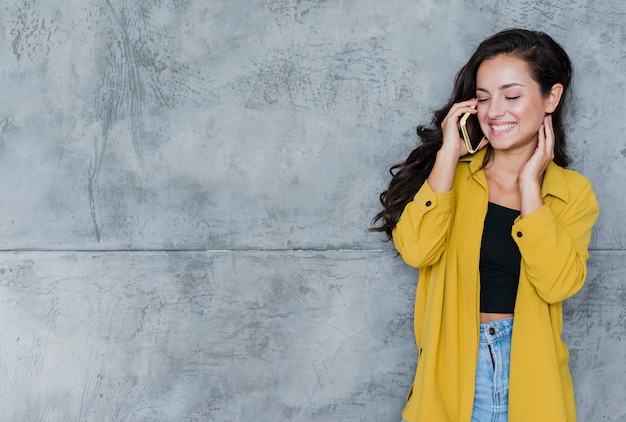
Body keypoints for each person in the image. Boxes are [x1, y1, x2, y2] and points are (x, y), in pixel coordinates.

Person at [371, 29, 599, 421]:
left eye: (511, 96)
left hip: (531, 374)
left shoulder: (572, 193)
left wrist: (530, 187)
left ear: (551, 98)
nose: (494, 112)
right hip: (452, 369)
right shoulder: (452, 179)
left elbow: (559, 284)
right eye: (482, 98)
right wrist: (446, 156)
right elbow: (416, 249)